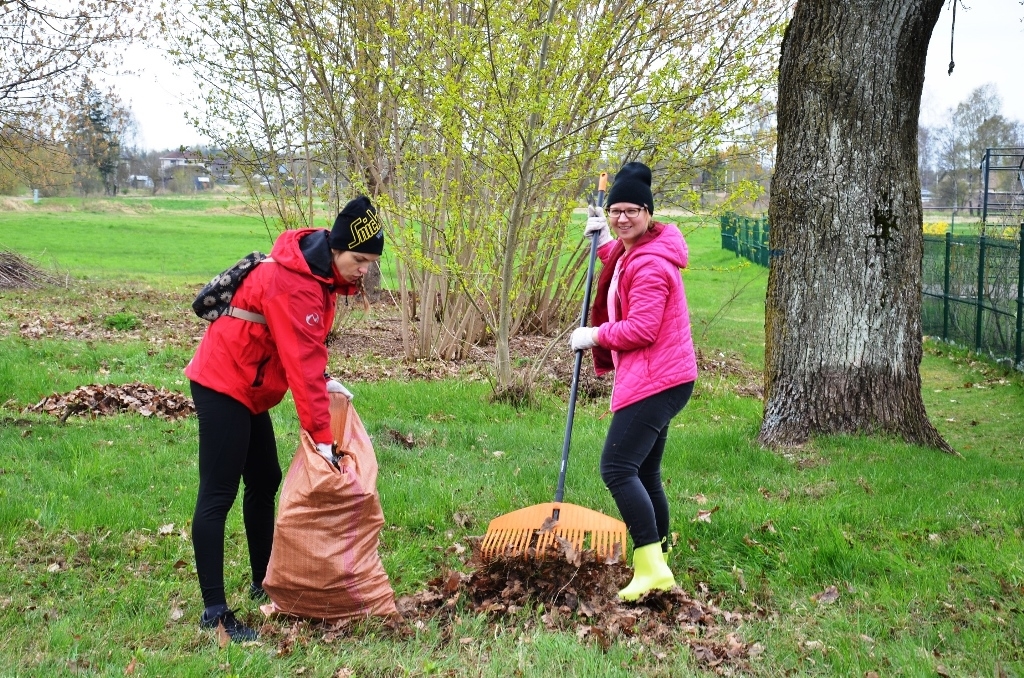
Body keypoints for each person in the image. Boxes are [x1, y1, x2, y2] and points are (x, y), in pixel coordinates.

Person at [185, 195, 384, 641]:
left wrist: (326, 379)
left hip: (249, 386)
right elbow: (300, 364)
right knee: (218, 493)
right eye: (359, 259)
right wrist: (323, 439)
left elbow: (305, 350)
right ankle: (215, 612)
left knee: (265, 478)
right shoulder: (295, 283)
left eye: (371, 262)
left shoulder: (319, 275)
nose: (365, 270)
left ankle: (262, 581)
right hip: (223, 382)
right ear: (335, 247)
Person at [569, 162, 697, 601]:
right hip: (668, 375)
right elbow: (622, 263)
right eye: (615, 211)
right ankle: (657, 553)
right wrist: (605, 241)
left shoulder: (652, 266)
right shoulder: (638, 250)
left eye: (631, 211)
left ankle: (651, 569)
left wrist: (594, 335)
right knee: (645, 470)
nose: (622, 218)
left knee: (618, 468)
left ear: (648, 212)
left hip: (656, 379)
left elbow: (641, 328)